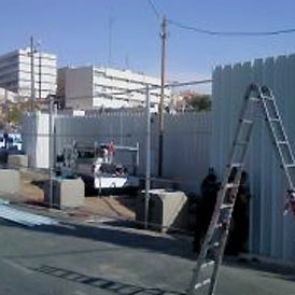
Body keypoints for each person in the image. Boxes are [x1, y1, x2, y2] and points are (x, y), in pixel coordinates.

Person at [193, 168, 220, 253]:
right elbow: (211, 191)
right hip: (206, 210)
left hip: (203, 209)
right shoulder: (209, 188)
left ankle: (198, 246)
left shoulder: (205, 185)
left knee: (200, 230)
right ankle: (200, 246)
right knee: (203, 230)